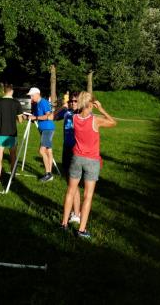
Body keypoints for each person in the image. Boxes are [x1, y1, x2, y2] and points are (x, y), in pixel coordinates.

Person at [60, 92, 116, 239]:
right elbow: (113, 122)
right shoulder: (95, 120)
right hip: (91, 160)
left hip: (76, 158)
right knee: (88, 196)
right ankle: (81, 229)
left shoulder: (74, 118)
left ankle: (64, 223)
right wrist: (101, 109)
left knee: (70, 191)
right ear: (91, 104)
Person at [0, 83, 24, 187]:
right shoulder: (16, 103)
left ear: (3, 91)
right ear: (12, 91)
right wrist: (21, 118)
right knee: (13, 156)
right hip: (11, 133)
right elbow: (20, 120)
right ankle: (13, 177)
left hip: (0, 132)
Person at [54, 91, 80, 224]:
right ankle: (75, 211)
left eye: (75, 101)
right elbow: (53, 117)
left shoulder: (82, 114)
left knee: (73, 183)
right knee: (70, 182)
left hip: (77, 151)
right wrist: (63, 107)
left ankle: (76, 213)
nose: (72, 103)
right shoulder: (66, 112)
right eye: (71, 101)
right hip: (66, 149)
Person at [28, 87, 56, 182]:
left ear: (37, 94)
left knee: (41, 151)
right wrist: (31, 117)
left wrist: (35, 117)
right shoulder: (37, 104)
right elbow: (37, 116)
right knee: (48, 151)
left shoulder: (43, 102)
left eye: (32, 96)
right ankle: (49, 173)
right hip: (44, 129)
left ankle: (48, 174)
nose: (31, 98)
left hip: (47, 129)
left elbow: (49, 116)